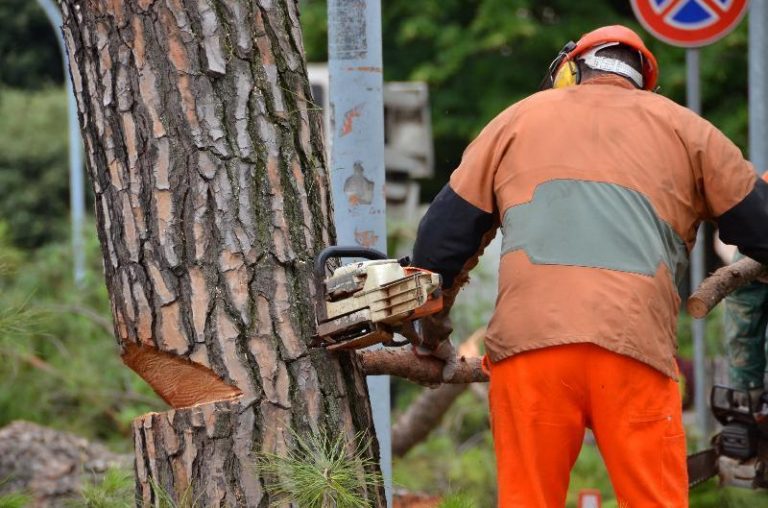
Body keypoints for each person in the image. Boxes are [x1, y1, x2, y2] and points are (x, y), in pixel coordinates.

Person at [410, 25, 768, 507]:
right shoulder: (688, 129)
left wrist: (432, 331)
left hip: (529, 352)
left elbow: (439, 244)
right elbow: (760, 226)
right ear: (644, 81)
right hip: (634, 350)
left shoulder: (515, 120)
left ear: (569, 71)